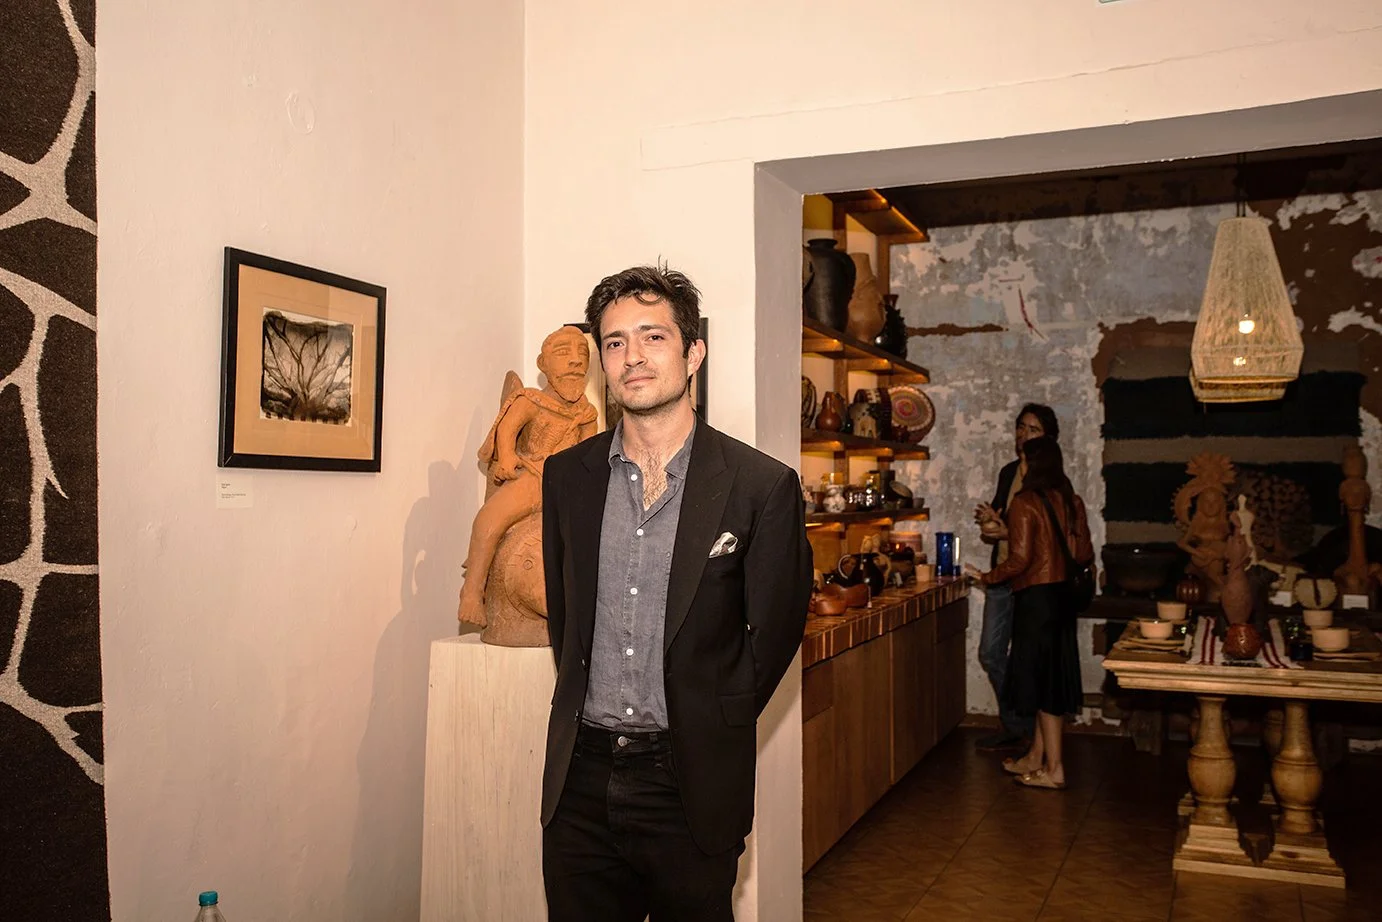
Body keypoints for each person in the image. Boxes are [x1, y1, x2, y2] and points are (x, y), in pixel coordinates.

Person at [540, 265, 813, 921]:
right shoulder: (566, 478)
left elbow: (773, 637)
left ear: (694, 352)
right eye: (614, 342)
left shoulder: (760, 486)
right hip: (579, 782)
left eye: (653, 337)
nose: (632, 357)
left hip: (689, 785)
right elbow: (565, 620)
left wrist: (711, 716)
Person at [966, 436, 1093, 790]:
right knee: (1048, 682)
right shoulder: (1072, 501)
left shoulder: (1024, 502)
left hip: (1036, 602)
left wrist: (987, 577)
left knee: (1045, 689)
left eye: (1023, 459)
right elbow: (1083, 554)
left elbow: (1019, 560)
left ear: (1032, 465)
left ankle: (1054, 770)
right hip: (1063, 599)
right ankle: (1037, 758)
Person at [457, 325, 598, 629]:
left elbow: (589, 454)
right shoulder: (531, 400)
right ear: (542, 364)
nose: (575, 361)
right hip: (533, 476)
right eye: (563, 353)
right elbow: (507, 430)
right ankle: (472, 591)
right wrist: (507, 456)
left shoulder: (587, 413)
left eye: (582, 354)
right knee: (489, 520)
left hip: (567, 487)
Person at [971, 403, 1059, 751]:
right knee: (991, 652)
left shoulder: (1051, 478)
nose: (1023, 435)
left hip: (1034, 580)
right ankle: (1016, 724)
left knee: (1029, 658)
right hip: (1003, 574)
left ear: (1048, 437)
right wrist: (991, 522)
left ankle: (1033, 734)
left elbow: (1046, 535)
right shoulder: (1009, 472)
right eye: (1020, 427)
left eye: (1033, 429)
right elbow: (1006, 524)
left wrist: (1009, 533)